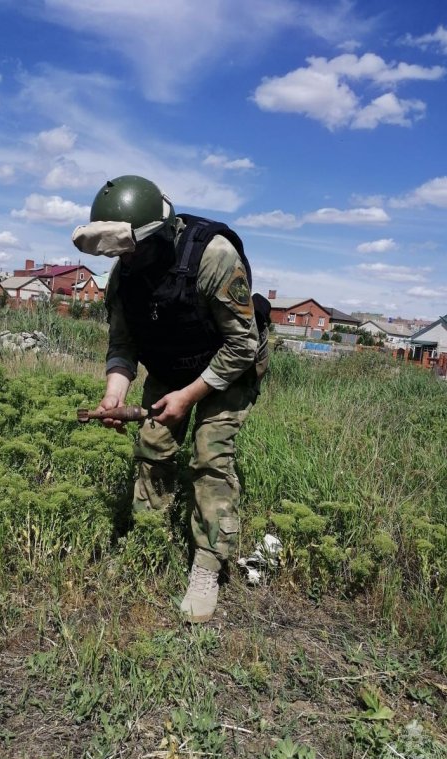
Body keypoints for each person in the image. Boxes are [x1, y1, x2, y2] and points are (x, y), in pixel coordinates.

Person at [72, 175, 267, 623]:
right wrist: (112, 395)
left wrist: (190, 396)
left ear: (158, 235)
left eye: (130, 248)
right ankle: (146, 536)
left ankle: (208, 564)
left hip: (229, 364)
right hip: (171, 362)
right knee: (154, 445)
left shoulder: (213, 257)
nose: (123, 258)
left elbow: (241, 345)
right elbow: (123, 346)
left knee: (209, 456)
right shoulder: (123, 279)